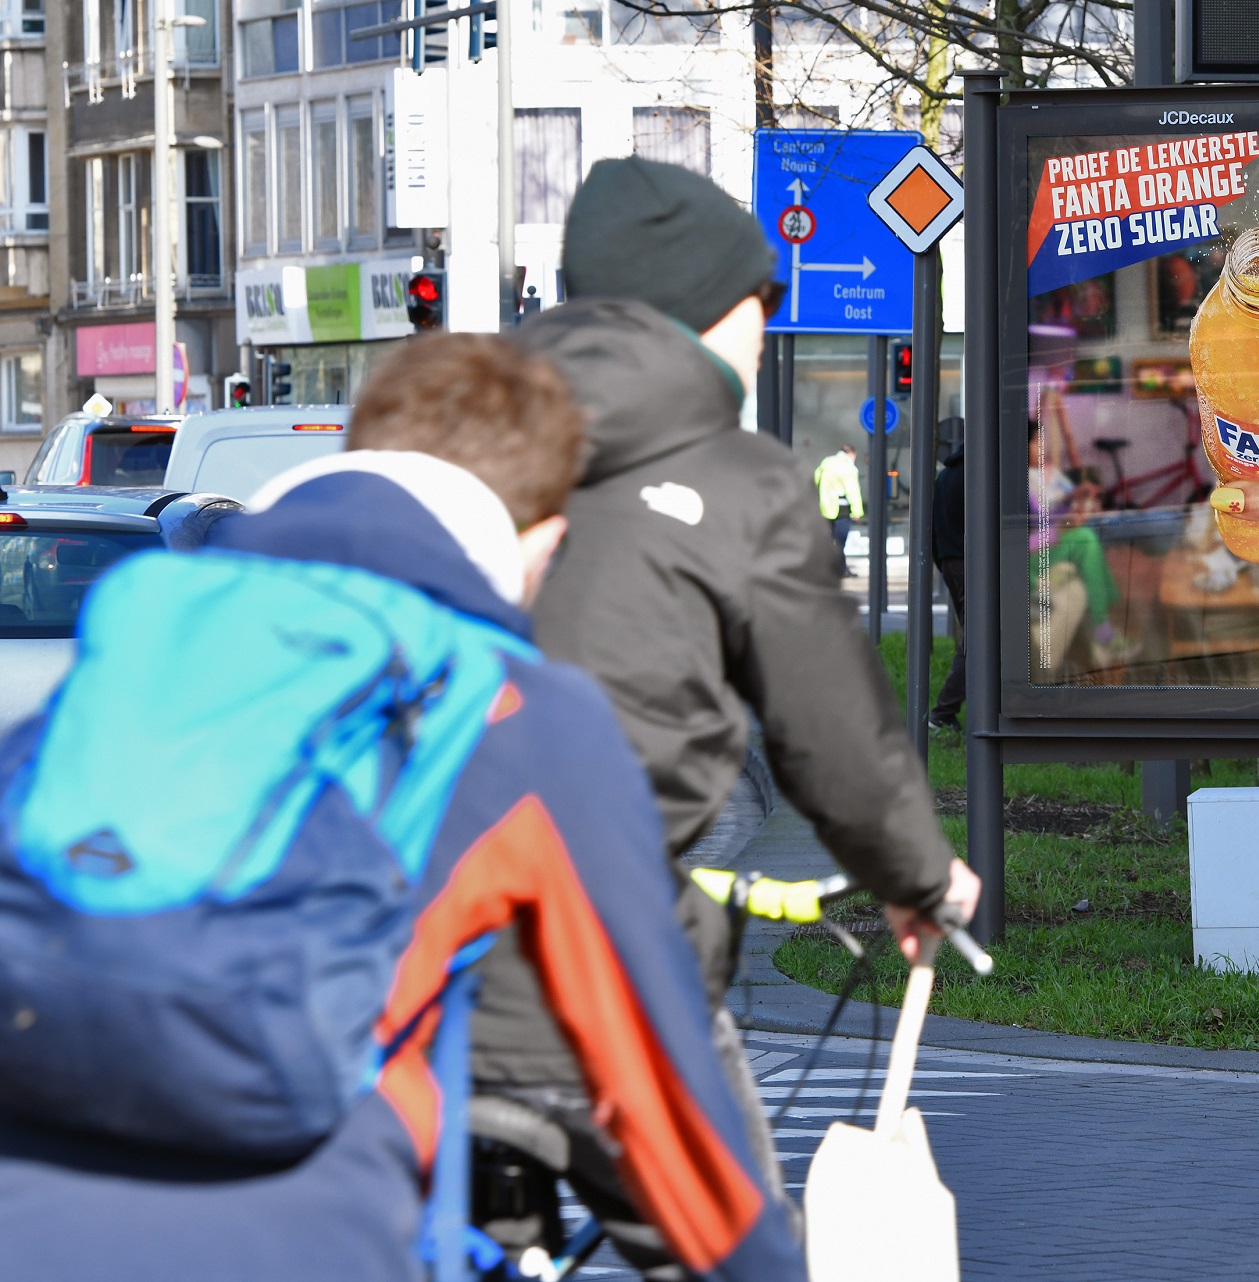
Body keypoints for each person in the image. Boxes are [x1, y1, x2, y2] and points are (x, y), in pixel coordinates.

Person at [0, 334, 804, 1282]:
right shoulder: (510, 704)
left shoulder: (145, 628)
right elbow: (653, 1087)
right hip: (308, 1237)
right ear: (543, 540)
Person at [508, 155, 981, 1249]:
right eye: (756, 295)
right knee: (739, 1252)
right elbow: (830, 726)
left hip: (417, 964)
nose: (770, 321)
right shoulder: (739, 478)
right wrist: (916, 874)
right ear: (695, 308)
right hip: (613, 959)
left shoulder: (461, 432)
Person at [929, 430, 966, 733]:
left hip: (951, 561)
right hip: (971, 563)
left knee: (977, 635)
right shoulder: (978, 473)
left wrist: (942, 561)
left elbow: (932, 526)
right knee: (980, 639)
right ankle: (942, 713)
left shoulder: (946, 475)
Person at [815, 443, 864, 576]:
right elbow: (853, 491)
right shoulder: (848, 467)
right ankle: (841, 569)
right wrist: (857, 511)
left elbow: (816, 479)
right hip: (841, 509)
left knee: (829, 540)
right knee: (840, 542)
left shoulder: (826, 463)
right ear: (851, 454)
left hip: (825, 508)